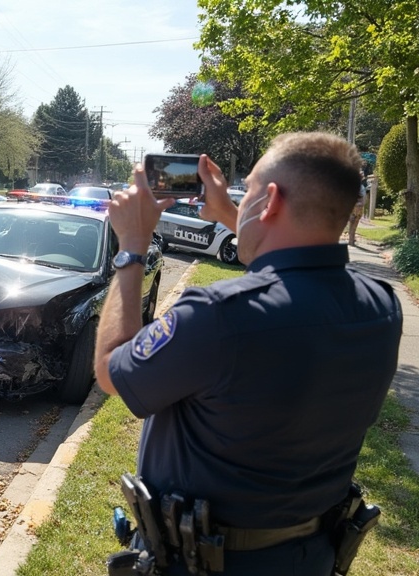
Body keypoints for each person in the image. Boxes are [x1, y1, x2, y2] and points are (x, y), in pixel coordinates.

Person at [94, 132, 402, 575]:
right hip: (310, 556)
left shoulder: (216, 317)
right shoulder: (381, 307)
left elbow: (110, 370)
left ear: (269, 202)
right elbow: (290, 268)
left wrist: (132, 248)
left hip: (203, 562)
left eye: (251, 189)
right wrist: (228, 212)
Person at [347, 171, 366, 245]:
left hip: (351, 207)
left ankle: (351, 239)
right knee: (354, 224)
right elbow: (363, 200)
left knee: (351, 223)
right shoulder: (361, 188)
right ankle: (351, 240)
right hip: (358, 207)